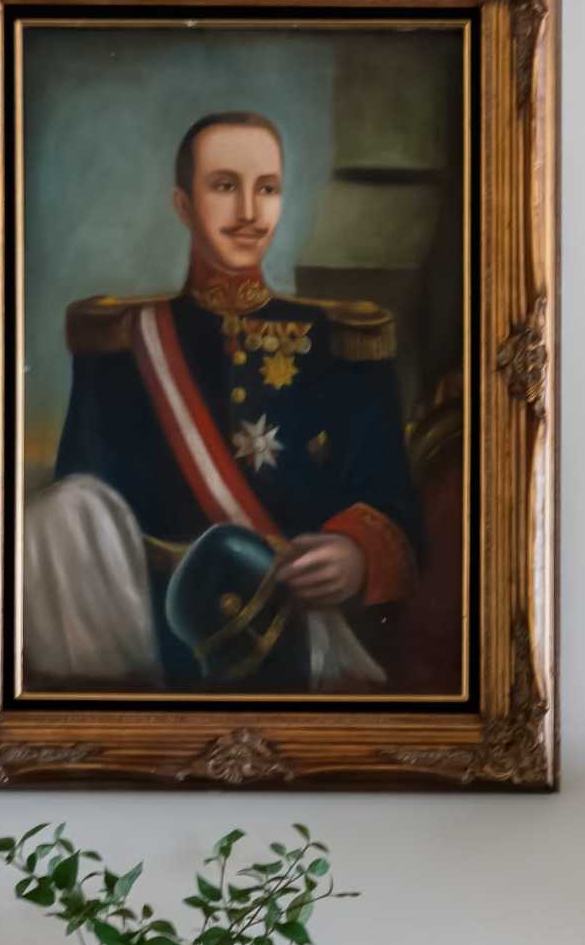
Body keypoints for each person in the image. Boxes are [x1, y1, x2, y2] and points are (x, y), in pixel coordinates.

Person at [24, 111, 423, 691]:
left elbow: (390, 501)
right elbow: (84, 530)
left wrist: (357, 555)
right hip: (155, 639)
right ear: (184, 205)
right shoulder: (122, 345)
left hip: (293, 630)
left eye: (267, 189)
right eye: (224, 186)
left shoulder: (338, 346)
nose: (248, 213)